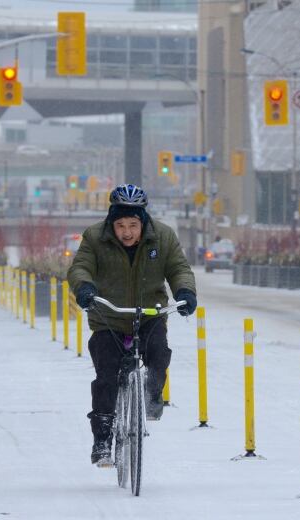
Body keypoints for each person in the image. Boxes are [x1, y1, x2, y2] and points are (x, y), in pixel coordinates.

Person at [67, 184, 197, 466]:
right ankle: (102, 439)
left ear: (143, 221)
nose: (127, 232)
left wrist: (185, 292)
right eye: (121, 225)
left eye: (133, 225)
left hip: (149, 313)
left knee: (159, 352)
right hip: (108, 317)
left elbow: (178, 268)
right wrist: (85, 288)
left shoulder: (162, 237)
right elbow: (80, 267)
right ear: (111, 222)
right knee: (106, 377)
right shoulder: (94, 237)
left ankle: (152, 396)